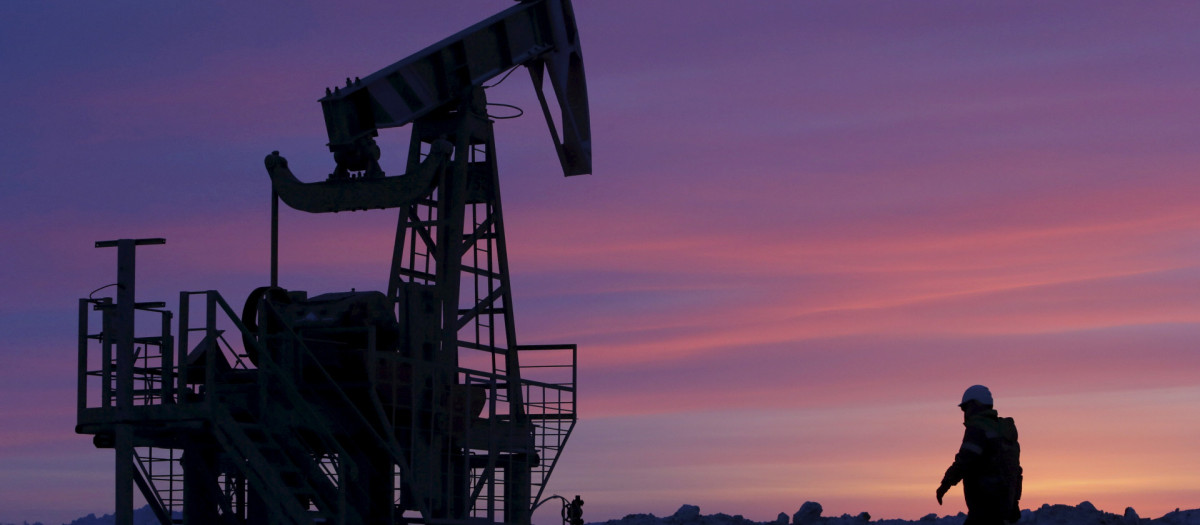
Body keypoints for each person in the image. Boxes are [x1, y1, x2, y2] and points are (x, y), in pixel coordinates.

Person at [936, 385, 1022, 525]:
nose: (965, 412)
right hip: (1005, 508)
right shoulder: (1004, 432)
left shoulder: (978, 428)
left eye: (966, 408)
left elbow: (965, 460)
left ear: (976, 404)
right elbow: (1016, 471)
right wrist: (1014, 502)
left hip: (984, 506)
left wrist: (945, 484)